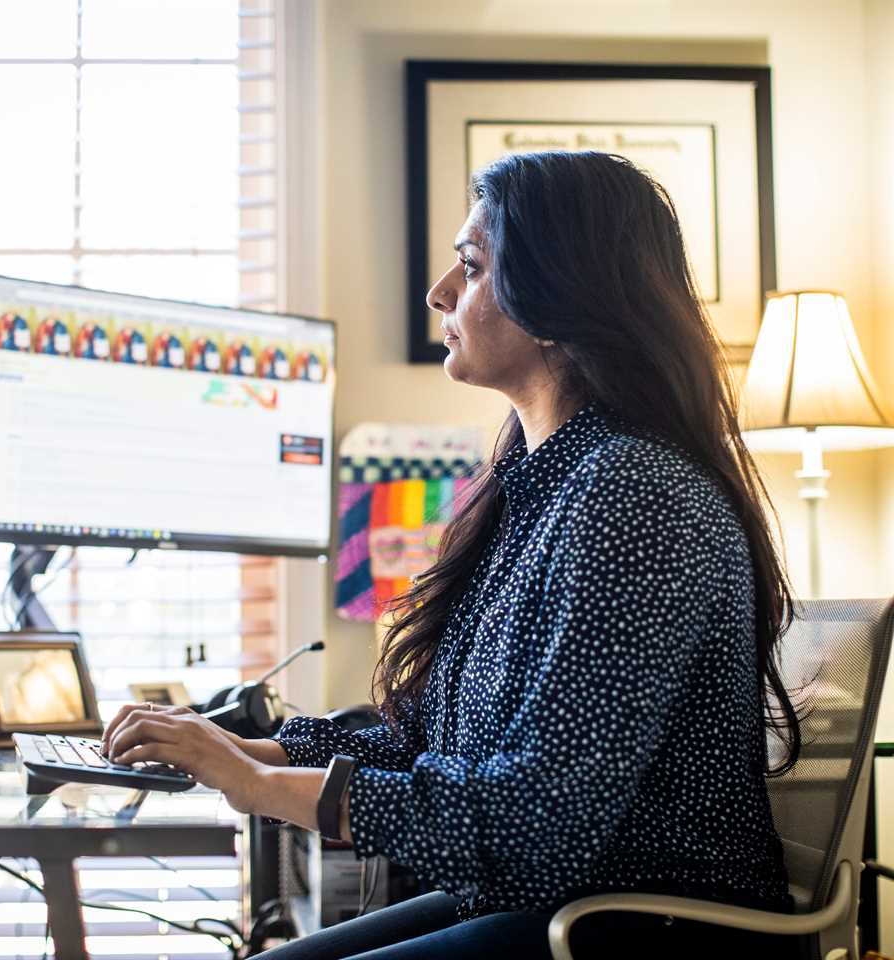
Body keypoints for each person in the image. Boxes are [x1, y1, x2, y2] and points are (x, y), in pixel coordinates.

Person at [101, 151, 802, 958]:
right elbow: (432, 735)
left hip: (641, 929)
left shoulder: (633, 496)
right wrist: (247, 751)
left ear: (556, 300)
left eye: (470, 268)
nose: (439, 292)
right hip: (567, 906)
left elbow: (539, 821)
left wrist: (262, 788)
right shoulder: (543, 487)